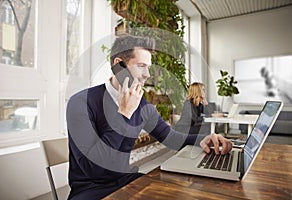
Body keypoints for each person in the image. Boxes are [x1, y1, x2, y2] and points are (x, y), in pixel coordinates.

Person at [66, 35, 232, 200]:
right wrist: (124, 114)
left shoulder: (142, 106)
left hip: (125, 181)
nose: (147, 75)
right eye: (141, 66)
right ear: (119, 66)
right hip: (91, 191)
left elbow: (171, 138)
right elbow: (93, 169)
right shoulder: (81, 102)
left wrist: (202, 139)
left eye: (148, 67)